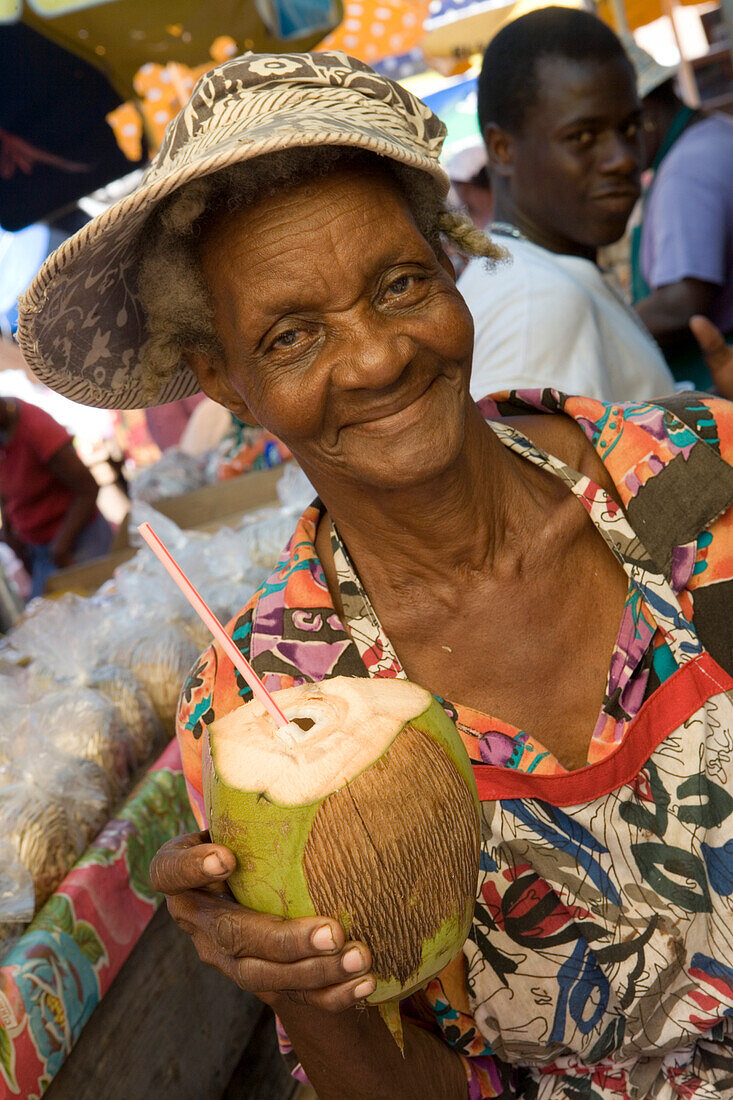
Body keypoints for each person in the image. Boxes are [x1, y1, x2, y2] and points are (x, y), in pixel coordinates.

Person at [18, 51, 733, 1100]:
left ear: (453, 266)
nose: (375, 358)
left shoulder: (686, 479)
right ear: (228, 379)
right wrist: (297, 984)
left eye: (399, 285)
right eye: (291, 333)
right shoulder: (275, 696)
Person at [459, 7, 675, 402]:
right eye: (583, 137)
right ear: (502, 150)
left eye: (629, 128)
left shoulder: (537, 278)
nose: (623, 158)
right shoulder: (536, 305)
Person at [628, 41, 733, 391]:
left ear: (646, 113)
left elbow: (683, 302)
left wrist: (609, 327)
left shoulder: (686, 171)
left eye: (620, 129)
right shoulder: (713, 132)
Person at [0, 396, 112, 598]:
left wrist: (61, 547)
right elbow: (7, 496)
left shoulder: (35, 427)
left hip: (77, 541)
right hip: (40, 551)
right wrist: (12, 539)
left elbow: (87, 488)